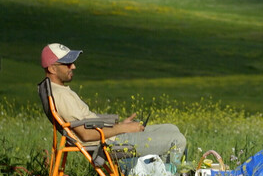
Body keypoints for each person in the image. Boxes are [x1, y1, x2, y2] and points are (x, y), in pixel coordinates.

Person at [41, 43, 186, 163]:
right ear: (52, 68)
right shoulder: (61, 96)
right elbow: (85, 135)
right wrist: (122, 129)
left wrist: (119, 125)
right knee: (176, 140)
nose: (73, 66)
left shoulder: (57, 91)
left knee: (171, 128)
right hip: (106, 145)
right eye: (67, 63)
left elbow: (85, 123)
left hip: (107, 137)